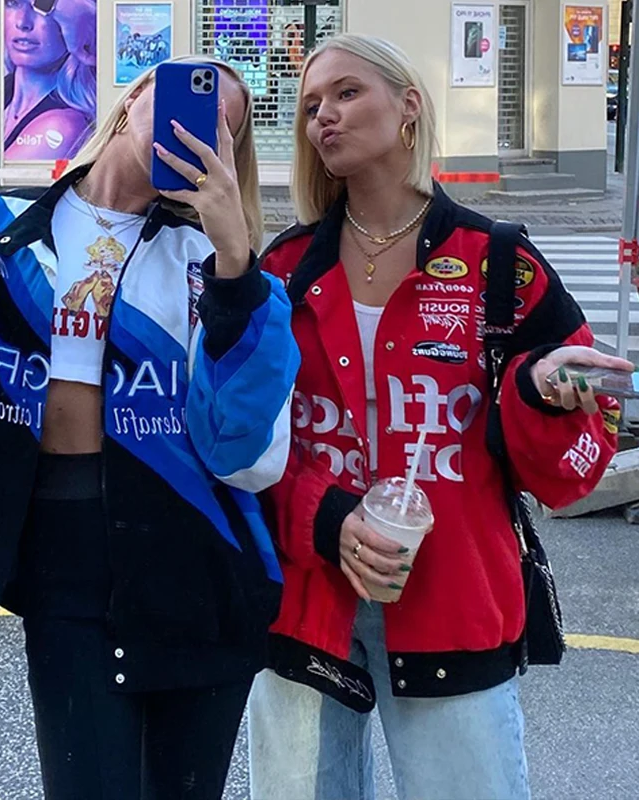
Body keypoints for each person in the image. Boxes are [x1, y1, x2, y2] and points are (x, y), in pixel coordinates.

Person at [0, 56, 299, 800]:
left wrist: (235, 260)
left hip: (198, 565)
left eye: (219, 128)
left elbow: (246, 456)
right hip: (62, 559)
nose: (194, 132)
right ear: (131, 101)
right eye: (182, 103)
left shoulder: (214, 266)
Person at [247, 33, 630, 800]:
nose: (324, 117)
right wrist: (330, 520)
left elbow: (572, 468)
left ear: (409, 107)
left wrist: (539, 392)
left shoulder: (499, 262)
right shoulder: (283, 270)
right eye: (311, 106)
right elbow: (247, 448)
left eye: (347, 93)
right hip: (305, 606)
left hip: (454, 602)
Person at [3, 0, 97, 161]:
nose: (23, 22)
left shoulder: (64, 125)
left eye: (42, 8)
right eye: (13, 2)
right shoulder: (1, 92)